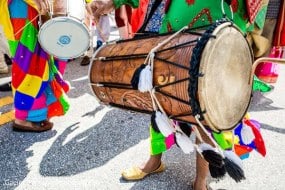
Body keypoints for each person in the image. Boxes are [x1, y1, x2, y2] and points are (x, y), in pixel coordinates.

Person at [87, 0, 270, 189]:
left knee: (208, 103)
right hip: (179, 13)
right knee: (160, 89)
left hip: (224, 13)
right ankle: (154, 160)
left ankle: (201, 179)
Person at [0, 0, 70, 132]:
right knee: (27, 65)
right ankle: (22, 118)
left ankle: (37, 114)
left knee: (40, 63)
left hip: (28, 8)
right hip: (20, 8)